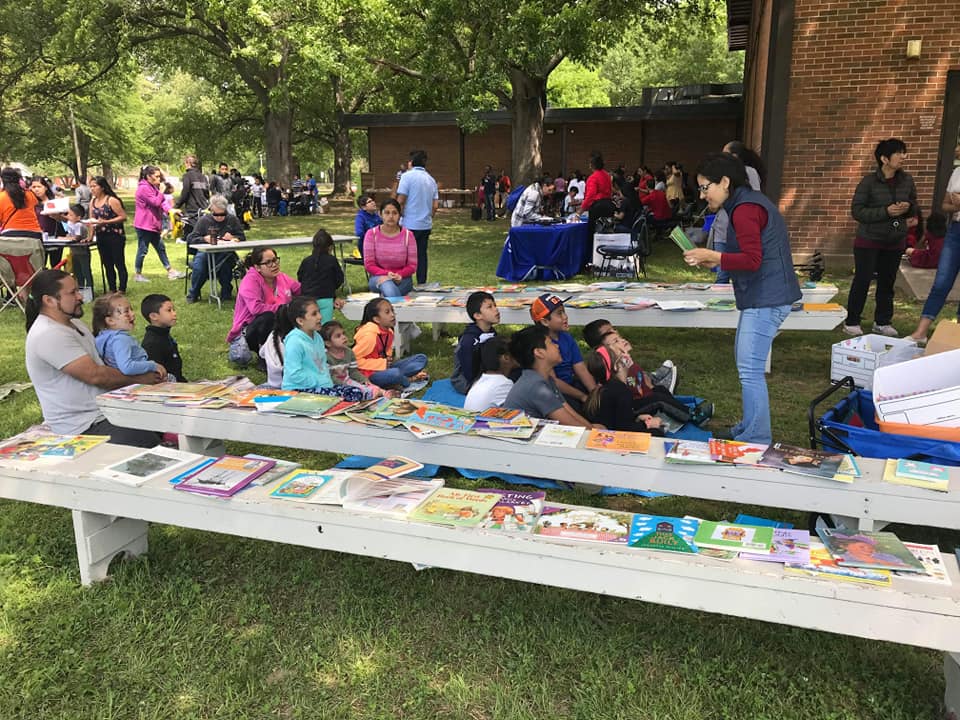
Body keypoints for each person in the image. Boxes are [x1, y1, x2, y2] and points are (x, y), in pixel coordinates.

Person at [682, 153, 801, 444]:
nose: (702, 194)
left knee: (750, 370)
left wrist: (715, 255)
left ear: (724, 182)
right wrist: (719, 262)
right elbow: (747, 257)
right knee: (747, 366)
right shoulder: (746, 203)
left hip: (767, 297)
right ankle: (750, 426)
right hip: (766, 295)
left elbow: (752, 259)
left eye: (705, 187)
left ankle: (757, 437)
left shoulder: (745, 208)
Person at [23, 269, 160, 445]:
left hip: (104, 411)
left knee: (166, 420)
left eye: (78, 290)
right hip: (81, 427)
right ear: (49, 300)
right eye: (72, 293)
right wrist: (142, 378)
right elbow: (97, 375)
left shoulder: (75, 324)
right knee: (149, 444)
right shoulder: (48, 334)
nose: (80, 297)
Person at [843, 138, 917, 337]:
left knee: (887, 282)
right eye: (899, 153)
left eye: (904, 152)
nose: (903, 157)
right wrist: (886, 212)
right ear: (884, 158)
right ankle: (852, 321)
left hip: (894, 241)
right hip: (868, 240)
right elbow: (857, 211)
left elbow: (914, 205)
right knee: (863, 280)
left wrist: (908, 209)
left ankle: (883, 322)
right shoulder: (868, 181)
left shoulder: (907, 180)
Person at [908, 148, 960, 344]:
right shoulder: (957, 173)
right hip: (956, 231)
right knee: (941, 283)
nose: (956, 150)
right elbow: (945, 205)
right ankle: (920, 333)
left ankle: (958, 339)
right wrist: (955, 205)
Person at [502, 325, 597, 428]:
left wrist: (593, 429)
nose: (557, 346)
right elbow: (570, 423)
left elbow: (570, 412)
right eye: (551, 343)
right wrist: (594, 432)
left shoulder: (545, 379)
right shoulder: (536, 387)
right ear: (539, 353)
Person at [278, 296, 365, 400]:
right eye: (314, 314)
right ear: (300, 321)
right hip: (299, 390)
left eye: (319, 312)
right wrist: (320, 382)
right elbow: (294, 375)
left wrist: (326, 382)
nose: (320, 316)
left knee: (356, 392)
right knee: (352, 395)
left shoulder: (317, 337)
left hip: (321, 386)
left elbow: (322, 365)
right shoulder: (295, 342)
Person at [228, 246, 300, 355]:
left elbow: (300, 289)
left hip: (277, 324)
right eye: (268, 262)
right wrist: (284, 308)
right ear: (257, 267)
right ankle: (263, 355)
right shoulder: (250, 281)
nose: (274, 265)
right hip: (251, 328)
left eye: (275, 260)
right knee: (269, 317)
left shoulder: (281, 277)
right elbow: (256, 309)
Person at [529, 293, 595, 408]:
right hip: (553, 392)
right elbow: (552, 381)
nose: (565, 317)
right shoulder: (540, 345)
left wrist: (595, 394)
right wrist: (582, 397)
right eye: (559, 314)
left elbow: (581, 368)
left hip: (571, 384)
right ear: (545, 322)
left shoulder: (566, 337)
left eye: (564, 311)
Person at [583, 345, 663, 434]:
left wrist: (636, 417)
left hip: (606, 434)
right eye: (622, 353)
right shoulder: (621, 391)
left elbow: (617, 416)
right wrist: (648, 424)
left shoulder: (602, 388)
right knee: (658, 432)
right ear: (617, 366)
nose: (627, 354)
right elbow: (624, 429)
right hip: (613, 439)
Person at [353, 297, 428, 389]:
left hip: (386, 368)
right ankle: (408, 380)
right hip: (368, 374)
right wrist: (381, 363)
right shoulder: (369, 336)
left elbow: (387, 351)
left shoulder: (389, 331)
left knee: (421, 358)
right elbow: (353, 360)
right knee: (395, 373)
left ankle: (397, 379)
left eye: (392, 311)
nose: (392, 315)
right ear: (376, 319)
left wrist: (387, 360)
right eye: (387, 312)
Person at [185, 195, 246, 303]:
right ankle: (193, 293)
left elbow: (242, 237)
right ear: (211, 210)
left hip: (226, 252)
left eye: (222, 214)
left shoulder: (232, 220)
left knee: (225, 263)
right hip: (206, 252)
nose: (219, 217)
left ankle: (226, 291)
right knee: (200, 264)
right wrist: (204, 238)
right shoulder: (204, 220)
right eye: (216, 214)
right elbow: (191, 238)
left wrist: (233, 237)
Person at [92, 292, 167, 380]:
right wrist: (153, 365)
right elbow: (127, 367)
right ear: (110, 321)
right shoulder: (120, 340)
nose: (133, 314)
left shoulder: (104, 337)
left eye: (131, 309)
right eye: (126, 311)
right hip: (136, 382)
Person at [0, 168, 45, 298]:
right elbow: (36, 204)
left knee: (16, 269)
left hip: (9, 240)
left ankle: (20, 298)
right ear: (19, 179)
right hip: (34, 237)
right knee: (32, 269)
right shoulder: (29, 195)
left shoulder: (2, 197)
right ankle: (30, 299)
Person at [133, 166, 183, 282]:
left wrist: (171, 211)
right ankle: (138, 274)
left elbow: (162, 203)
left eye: (159, 176)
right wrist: (162, 192)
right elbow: (155, 202)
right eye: (156, 176)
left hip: (153, 225)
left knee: (160, 248)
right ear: (148, 176)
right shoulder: (143, 188)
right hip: (144, 225)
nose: (159, 179)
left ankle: (170, 271)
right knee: (143, 250)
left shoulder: (152, 187)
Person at [396, 149, 438, 284]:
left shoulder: (407, 177)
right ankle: (422, 282)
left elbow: (401, 199)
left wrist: (398, 215)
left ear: (411, 162)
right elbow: (435, 205)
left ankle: (403, 281)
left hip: (409, 223)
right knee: (421, 255)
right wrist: (429, 216)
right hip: (425, 224)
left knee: (404, 255)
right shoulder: (431, 180)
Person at [364, 198, 417, 297]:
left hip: (403, 279)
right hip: (378, 278)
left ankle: (387, 307)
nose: (391, 216)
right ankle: (395, 309)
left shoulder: (408, 235)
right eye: (387, 213)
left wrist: (399, 274)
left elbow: (412, 266)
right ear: (380, 214)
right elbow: (369, 265)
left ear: (399, 215)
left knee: (389, 290)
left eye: (394, 213)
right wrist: (387, 274)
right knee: (387, 284)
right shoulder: (371, 234)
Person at [321, 320, 386, 399]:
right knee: (358, 391)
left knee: (368, 386)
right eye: (338, 336)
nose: (343, 337)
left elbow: (353, 371)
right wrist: (345, 385)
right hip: (333, 385)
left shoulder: (349, 352)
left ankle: (383, 393)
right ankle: (372, 395)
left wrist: (364, 380)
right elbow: (330, 377)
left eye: (343, 334)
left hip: (348, 381)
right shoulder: (325, 356)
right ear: (328, 343)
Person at [451, 290, 500, 393]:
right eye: (490, 307)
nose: (496, 310)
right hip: (466, 380)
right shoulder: (469, 340)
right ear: (477, 315)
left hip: (485, 374)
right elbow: (468, 369)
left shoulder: (492, 332)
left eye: (495, 305)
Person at [89, 175, 128, 293]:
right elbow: (91, 219)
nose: (92, 189)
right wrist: (90, 236)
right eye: (90, 186)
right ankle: (112, 287)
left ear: (102, 187)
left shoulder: (111, 200)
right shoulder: (93, 201)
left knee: (118, 261)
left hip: (115, 235)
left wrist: (106, 222)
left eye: (94, 186)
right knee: (107, 263)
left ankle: (122, 288)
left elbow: (123, 217)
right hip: (101, 236)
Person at [297, 228, 345, 323]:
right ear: (330, 247)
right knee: (325, 326)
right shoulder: (332, 260)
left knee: (310, 326)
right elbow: (339, 278)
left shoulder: (306, 261)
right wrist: (332, 288)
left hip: (307, 300)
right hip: (326, 298)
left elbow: (300, 277)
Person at [141, 293, 187, 382]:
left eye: (174, 310)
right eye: (169, 310)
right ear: (154, 316)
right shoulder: (152, 343)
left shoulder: (164, 334)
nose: (174, 313)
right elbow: (157, 377)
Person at [464, 336, 517, 412]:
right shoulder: (504, 384)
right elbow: (514, 414)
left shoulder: (480, 380)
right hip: (483, 423)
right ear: (506, 358)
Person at [63, 203, 94, 300]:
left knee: (86, 271)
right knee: (77, 272)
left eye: (71, 215)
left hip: (82, 252)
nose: (68, 217)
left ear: (78, 217)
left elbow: (76, 237)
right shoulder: (69, 223)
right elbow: (68, 235)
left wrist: (67, 238)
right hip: (74, 252)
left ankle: (90, 291)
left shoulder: (80, 225)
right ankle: (80, 290)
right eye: (68, 214)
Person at [173, 155, 210, 237]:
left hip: (192, 211)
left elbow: (185, 193)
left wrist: (176, 206)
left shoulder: (187, 176)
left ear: (188, 163)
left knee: (191, 236)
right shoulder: (203, 177)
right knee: (203, 235)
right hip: (203, 209)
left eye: (185, 163)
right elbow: (207, 193)